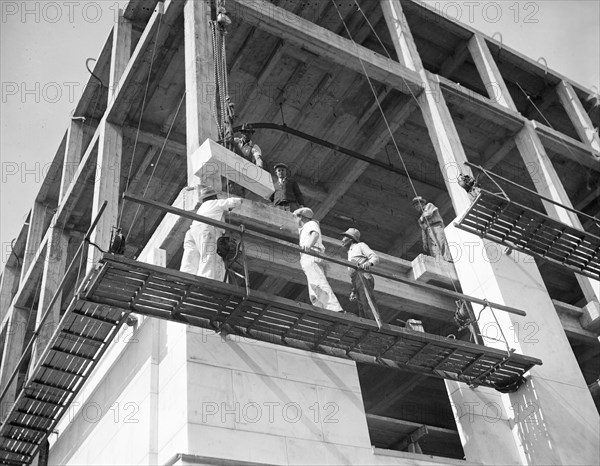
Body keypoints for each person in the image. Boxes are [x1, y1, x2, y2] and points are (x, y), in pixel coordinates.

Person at [180, 187, 242, 280]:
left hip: (192, 232)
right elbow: (236, 201)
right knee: (208, 254)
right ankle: (206, 278)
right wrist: (235, 202)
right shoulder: (214, 203)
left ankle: (185, 277)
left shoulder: (201, 209)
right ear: (214, 197)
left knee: (191, 256)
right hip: (205, 229)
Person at [293, 207, 343, 313]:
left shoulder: (310, 224)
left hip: (311, 254)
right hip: (307, 257)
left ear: (301, 217)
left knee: (319, 282)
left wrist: (308, 245)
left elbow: (315, 234)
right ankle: (322, 309)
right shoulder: (304, 228)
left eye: (295, 218)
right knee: (314, 288)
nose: (295, 220)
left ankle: (335, 308)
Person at [341, 228, 379, 319]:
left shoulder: (360, 245)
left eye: (344, 237)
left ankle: (373, 323)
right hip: (355, 278)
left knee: (366, 301)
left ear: (350, 239)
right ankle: (367, 323)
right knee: (361, 305)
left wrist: (368, 263)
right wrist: (354, 290)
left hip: (363, 275)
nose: (342, 240)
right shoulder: (350, 252)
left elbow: (375, 257)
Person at [227, 124, 264, 198]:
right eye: (245, 132)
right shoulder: (236, 141)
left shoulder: (254, 147)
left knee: (239, 195)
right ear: (242, 133)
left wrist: (259, 167)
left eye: (249, 132)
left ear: (252, 134)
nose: (247, 134)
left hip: (243, 173)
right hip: (232, 171)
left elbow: (258, 158)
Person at [412, 196, 452, 262]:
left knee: (441, 242)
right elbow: (423, 229)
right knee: (433, 247)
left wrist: (421, 219)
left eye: (417, 204)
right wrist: (424, 241)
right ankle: (438, 261)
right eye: (415, 206)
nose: (416, 207)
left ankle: (448, 259)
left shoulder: (429, 205)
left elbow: (428, 214)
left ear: (422, 203)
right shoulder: (421, 217)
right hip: (429, 230)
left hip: (437, 226)